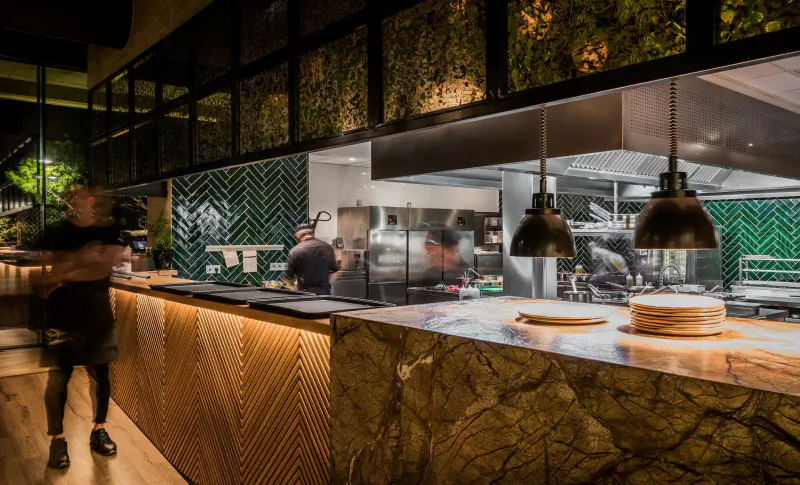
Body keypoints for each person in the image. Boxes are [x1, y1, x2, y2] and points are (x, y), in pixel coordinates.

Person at [35, 186, 127, 469]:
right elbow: (43, 281)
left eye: (81, 196)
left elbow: (102, 269)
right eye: (71, 197)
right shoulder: (55, 232)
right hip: (61, 315)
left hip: (97, 314)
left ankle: (98, 430)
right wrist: (83, 260)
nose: (76, 201)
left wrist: (68, 269)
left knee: (101, 375)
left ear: (91, 201)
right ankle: (57, 438)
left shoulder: (108, 231)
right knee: (59, 378)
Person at [286, 223, 340, 295]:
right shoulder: (327, 247)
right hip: (324, 293)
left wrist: (292, 288)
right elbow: (335, 270)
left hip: (304, 294)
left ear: (298, 236)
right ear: (312, 233)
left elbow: (288, 277)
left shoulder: (294, 251)